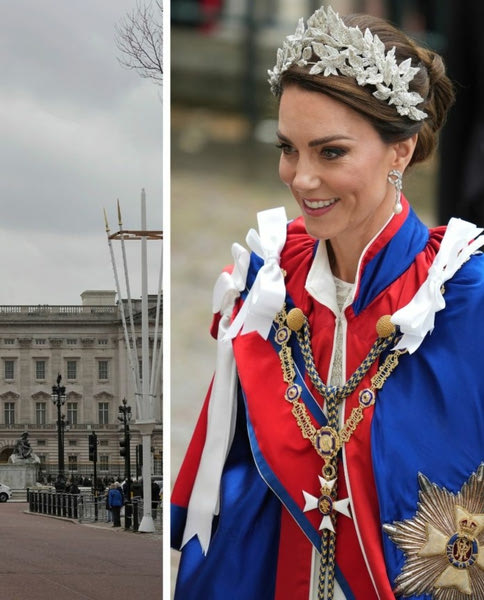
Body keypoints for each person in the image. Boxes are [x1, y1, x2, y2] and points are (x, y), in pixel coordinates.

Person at [170, 7, 484, 599]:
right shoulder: (263, 285)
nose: (301, 177)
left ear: (402, 150)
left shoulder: (467, 298)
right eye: (289, 148)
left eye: (331, 152)